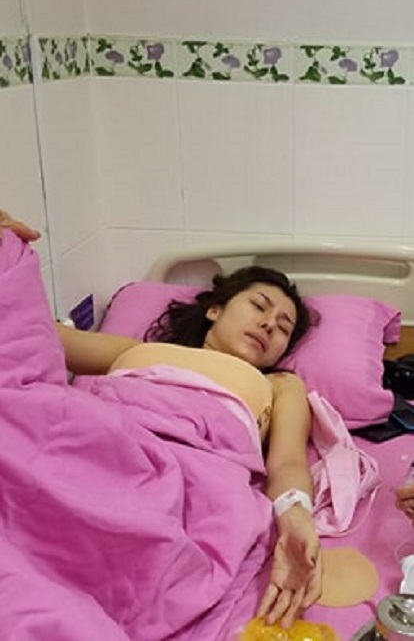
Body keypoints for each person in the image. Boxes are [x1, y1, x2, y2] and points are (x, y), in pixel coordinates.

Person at [0, 210, 322, 629]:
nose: (267, 324)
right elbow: (27, 335)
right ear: (215, 310)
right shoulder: (136, 351)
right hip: (98, 434)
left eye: (283, 327)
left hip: (185, 471)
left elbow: (288, 463)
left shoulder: (279, 385)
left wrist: (296, 515)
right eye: (259, 306)